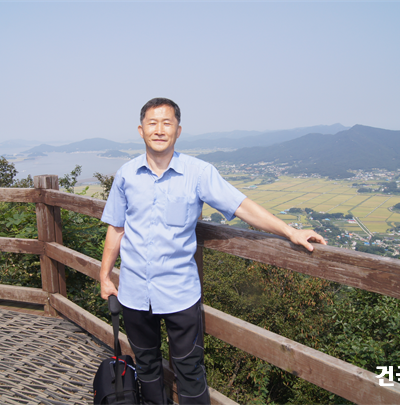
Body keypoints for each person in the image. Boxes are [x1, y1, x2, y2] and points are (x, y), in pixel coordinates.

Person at [100, 98, 326, 404]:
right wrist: (105, 276)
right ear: (141, 130)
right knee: (147, 365)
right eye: (152, 123)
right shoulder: (126, 175)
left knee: (190, 370)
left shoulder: (198, 173)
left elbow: (241, 206)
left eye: (167, 123)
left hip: (179, 293)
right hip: (134, 291)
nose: (159, 130)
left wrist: (290, 231)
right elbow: (116, 228)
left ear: (178, 130)